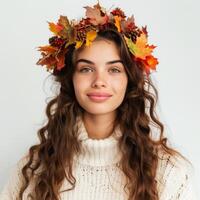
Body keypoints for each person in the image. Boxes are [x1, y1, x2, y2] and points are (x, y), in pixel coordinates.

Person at [0, 2, 197, 200]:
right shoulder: (34, 169)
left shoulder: (168, 172)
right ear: (71, 79)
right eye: (86, 69)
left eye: (114, 70)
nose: (99, 82)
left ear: (129, 80)